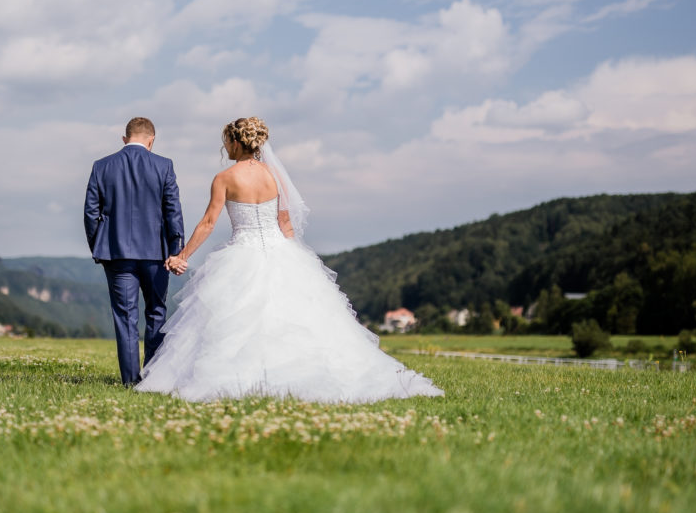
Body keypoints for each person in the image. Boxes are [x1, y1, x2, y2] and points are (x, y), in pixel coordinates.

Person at [136, 117, 443, 403]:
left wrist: (182, 256)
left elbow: (207, 223)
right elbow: (285, 223)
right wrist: (296, 261)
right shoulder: (275, 176)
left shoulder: (224, 178)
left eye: (226, 143)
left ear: (238, 143)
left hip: (241, 254)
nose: (225, 148)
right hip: (280, 252)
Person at [84, 117, 185, 387]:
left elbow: (91, 212)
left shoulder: (101, 166)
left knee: (125, 317)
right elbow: (173, 211)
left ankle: (130, 382)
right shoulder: (164, 165)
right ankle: (152, 378)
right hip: (156, 254)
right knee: (156, 312)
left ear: (124, 138)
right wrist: (176, 251)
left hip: (116, 254)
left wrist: (99, 246)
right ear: (151, 140)